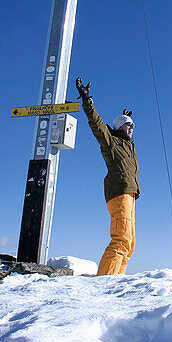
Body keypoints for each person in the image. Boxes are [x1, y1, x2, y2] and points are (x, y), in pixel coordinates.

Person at [76, 77, 139, 276]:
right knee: (120, 239)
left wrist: (124, 118)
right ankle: (104, 282)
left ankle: (116, 282)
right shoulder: (111, 142)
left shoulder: (128, 145)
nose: (132, 128)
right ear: (119, 127)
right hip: (119, 193)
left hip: (129, 194)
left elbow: (126, 137)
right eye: (128, 125)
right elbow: (97, 125)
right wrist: (88, 102)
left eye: (133, 125)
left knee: (129, 244)